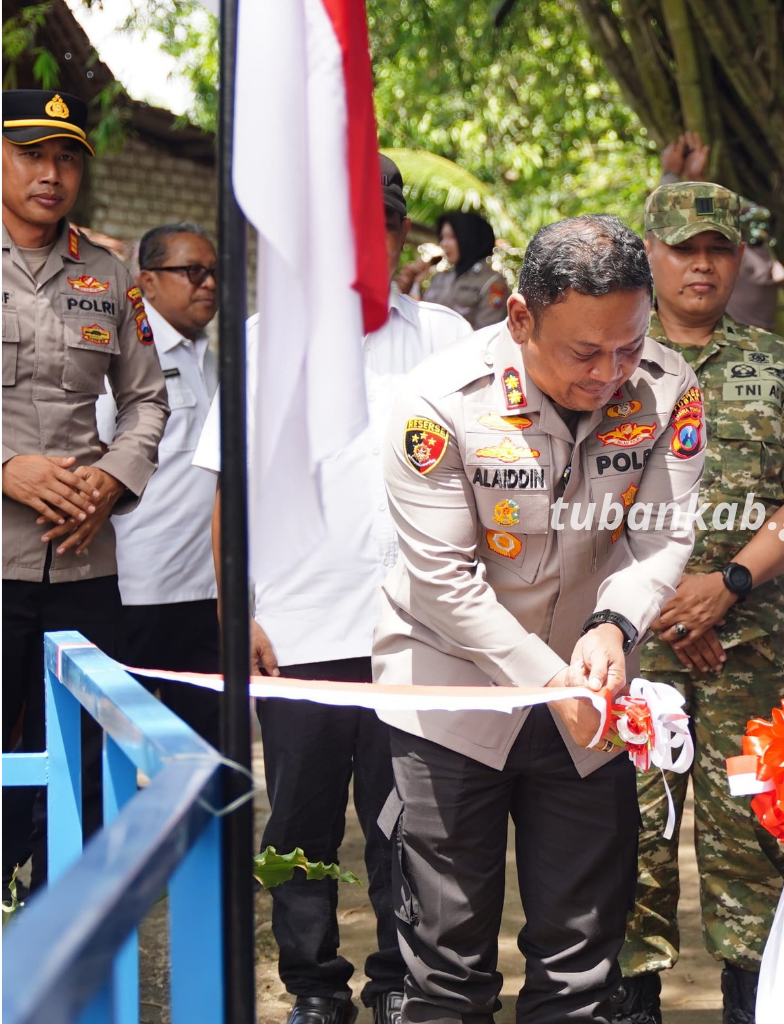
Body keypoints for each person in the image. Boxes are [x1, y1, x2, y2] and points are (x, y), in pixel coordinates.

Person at [373, 214, 706, 1022]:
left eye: (627, 345)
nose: (609, 373)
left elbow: (663, 532)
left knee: (582, 958)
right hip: (449, 697)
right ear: (520, 317)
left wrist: (613, 626)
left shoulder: (668, 387)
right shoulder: (436, 403)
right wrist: (545, 676)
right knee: (446, 961)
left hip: (590, 702)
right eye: (583, 352)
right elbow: (445, 582)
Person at [193, 155, 471, 1024]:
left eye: (382, 227)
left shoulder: (447, 339)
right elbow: (224, 494)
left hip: (416, 636)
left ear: (401, 238)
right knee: (299, 828)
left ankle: (397, 983)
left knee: (409, 825)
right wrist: (235, 613)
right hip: (298, 631)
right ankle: (314, 988)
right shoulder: (261, 343)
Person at [612, 183, 784, 1024]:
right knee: (629, 841)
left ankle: (753, 1006)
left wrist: (725, 589)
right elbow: (576, 505)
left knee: (755, 841)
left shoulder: (783, 365)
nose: (702, 264)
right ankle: (631, 1006)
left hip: (752, 650)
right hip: (631, 652)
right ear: (649, 254)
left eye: (718, 249)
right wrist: (669, 605)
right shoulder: (607, 358)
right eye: (684, 247)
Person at [1, 90, 168, 886]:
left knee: (89, 759)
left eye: (66, 157)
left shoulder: (108, 276)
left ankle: (67, 932)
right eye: (33, 153)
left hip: (83, 564)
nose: (52, 172)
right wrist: (6, 468)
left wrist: (111, 478)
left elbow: (147, 400)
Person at [95, 222, 221, 745]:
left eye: (214, 272)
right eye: (193, 272)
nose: (208, 284)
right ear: (146, 281)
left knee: (211, 748)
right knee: (118, 746)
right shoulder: (122, 356)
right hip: (138, 593)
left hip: (212, 595)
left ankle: (205, 833)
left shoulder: (220, 357)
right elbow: (96, 464)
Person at [658, 132, 784, 332]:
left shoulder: (742, 267)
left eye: (717, 246)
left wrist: (670, 174)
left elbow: (669, 219)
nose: (703, 263)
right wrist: (697, 178)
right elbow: (716, 212)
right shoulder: (762, 266)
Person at [408, 210, 509, 330]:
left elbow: (486, 334)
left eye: (452, 237)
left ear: (469, 238)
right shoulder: (441, 278)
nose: (444, 244)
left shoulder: (491, 283)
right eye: (442, 238)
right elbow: (419, 319)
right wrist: (416, 283)